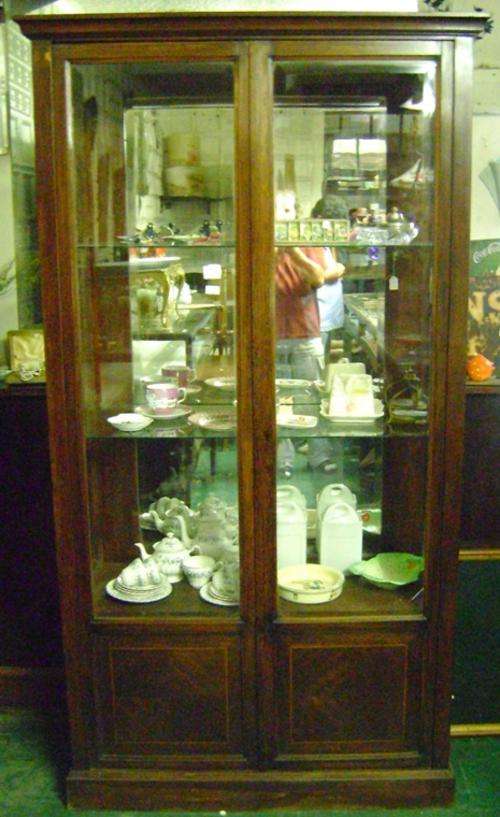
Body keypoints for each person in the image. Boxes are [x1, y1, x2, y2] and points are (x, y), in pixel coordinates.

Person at [275, 216, 345, 477]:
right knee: (277, 401)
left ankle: (319, 456)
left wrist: (292, 250)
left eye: (286, 211)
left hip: (306, 333)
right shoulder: (262, 245)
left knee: (312, 398)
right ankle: (282, 460)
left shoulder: (306, 244)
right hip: (270, 335)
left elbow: (318, 278)